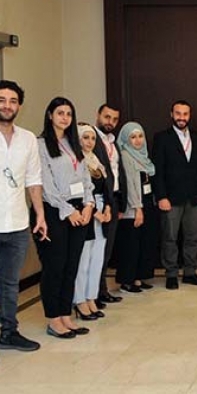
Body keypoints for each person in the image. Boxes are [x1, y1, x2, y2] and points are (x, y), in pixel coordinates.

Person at [35, 97, 94, 338]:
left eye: (69, 114)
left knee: (71, 266)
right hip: (54, 211)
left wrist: (89, 204)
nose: (65, 118)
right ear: (50, 115)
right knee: (55, 266)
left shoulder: (73, 143)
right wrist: (68, 211)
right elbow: (45, 184)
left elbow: (86, 177)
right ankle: (53, 319)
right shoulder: (40, 145)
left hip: (80, 209)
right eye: (60, 113)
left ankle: (65, 314)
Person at [0, 80, 45, 351]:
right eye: (2, 100)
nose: (7, 105)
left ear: (19, 106)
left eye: (13, 101)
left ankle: (8, 332)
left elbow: (33, 180)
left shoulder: (27, 139)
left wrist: (39, 214)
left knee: (9, 282)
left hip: (17, 223)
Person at [153, 100, 197, 289]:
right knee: (169, 237)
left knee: (192, 237)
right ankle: (171, 274)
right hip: (171, 198)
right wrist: (161, 196)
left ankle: (190, 272)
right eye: (178, 113)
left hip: (195, 197)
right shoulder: (161, 138)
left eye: (185, 114)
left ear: (189, 115)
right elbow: (157, 170)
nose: (182, 117)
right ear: (171, 114)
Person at [73, 124, 112, 320]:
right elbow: (78, 190)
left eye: (93, 138)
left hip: (101, 211)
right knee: (84, 259)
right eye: (85, 138)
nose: (89, 142)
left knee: (97, 259)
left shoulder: (96, 161)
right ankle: (79, 300)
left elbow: (106, 187)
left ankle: (91, 297)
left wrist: (107, 208)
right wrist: (96, 211)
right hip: (87, 211)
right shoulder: (76, 161)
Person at [115, 122, 158, 294]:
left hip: (146, 203)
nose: (138, 140)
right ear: (126, 139)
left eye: (140, 136)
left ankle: (138, 277)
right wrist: (137, 208)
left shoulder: (144, 157)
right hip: (133, 207)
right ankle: (127, 280)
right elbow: (131, 185)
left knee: (143, 243)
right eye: (133, 137)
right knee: (130, 245)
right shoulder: (126, 155)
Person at [93, 104, 126, 306]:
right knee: (95, 251)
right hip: (97, 201)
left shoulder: (113, 142)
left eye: (114, 119)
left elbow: (118, 173)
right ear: (98, 115)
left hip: (113, 199)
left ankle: (101, 290)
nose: (110, 122)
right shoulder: (91, 138)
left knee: (107, 249)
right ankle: (92, 294)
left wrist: (120, 203)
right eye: (107, 117)